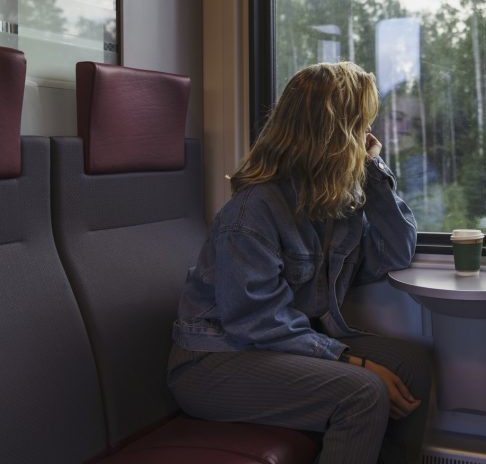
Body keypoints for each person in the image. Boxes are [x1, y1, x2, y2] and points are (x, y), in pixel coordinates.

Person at [167, 62, 431, 464]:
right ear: (336, 136)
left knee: (412, 365)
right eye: (361, 127)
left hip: (282, 344)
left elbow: (395, 253)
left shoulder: (335, 203)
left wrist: (374, 170)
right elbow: (256, 322)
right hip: (218, 359)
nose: (368, 137)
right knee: (363, 392)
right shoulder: (252, 212)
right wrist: (350, 360)